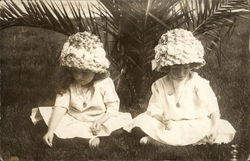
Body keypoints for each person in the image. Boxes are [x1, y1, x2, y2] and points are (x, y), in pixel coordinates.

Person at [125, 28, 236, 146]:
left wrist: (214, 128)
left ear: (192, 65)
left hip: (194, 123)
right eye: (175, 68)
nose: (181, 73)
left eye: (186, 68)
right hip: (169, 125)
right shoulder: (160, 84)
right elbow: (154, 109)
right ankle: (193, 142)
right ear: (167, 66)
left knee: (218, 127)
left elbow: (213, 109)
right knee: (142, 121)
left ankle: (158, 142)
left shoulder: (199, 83)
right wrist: (162, 119)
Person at [30, 31, 132, 148]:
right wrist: (51, 130)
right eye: (75, 71)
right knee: (51, 122)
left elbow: (112, 107)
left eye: (85, 73)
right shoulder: (69, 82)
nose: (79, 77)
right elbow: (61, 106)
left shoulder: (104, 83)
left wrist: (100, 121)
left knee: (117, 126)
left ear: (95, 70)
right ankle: (89, 139)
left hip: (99, 118)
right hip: (75, 117)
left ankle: (90, 137)